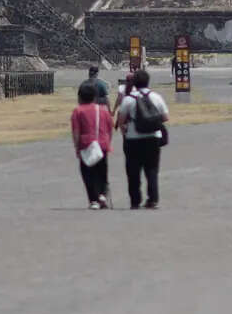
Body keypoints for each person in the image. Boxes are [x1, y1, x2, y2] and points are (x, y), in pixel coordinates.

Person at [115, 68, 170, 209]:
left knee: (133, 171)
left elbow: (121, 120)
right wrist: (151, 120)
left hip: (133, 138)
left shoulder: (129, 99)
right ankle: (153, 199)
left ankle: (135, 201)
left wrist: (125, 132)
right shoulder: (156, 97)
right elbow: (165, 117)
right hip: (153, 138)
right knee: (152, 170)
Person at [69, 81, 114, 209]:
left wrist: (77, 147)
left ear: (80, 97)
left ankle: (93, 199)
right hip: (103, 144)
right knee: (102, 172)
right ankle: (102, 194)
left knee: (87, 173)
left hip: (86, 144)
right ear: (94, 97)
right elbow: (110, 129)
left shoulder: (78, 111)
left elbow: (76, 131)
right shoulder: (104, 110)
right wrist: (108, 143)